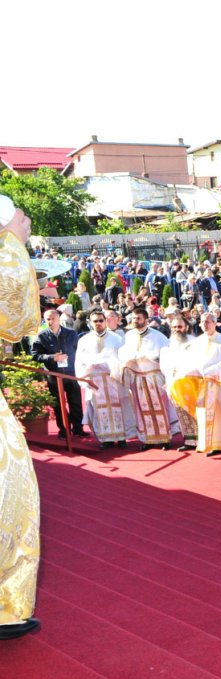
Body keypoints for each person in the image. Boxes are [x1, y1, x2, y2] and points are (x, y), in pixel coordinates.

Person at [0, 196, 43, 639]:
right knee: (9, 492)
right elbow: (17, 318)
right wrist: (12, 240)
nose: (27, 222)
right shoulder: (5, 254)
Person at [117, 306, 176, 450]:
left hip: (154, 377)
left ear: (146, 320)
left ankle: (164, 438)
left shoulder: (158, 336)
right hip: (138, 378)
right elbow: (123, 353)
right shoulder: (129, 336)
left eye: (138, 318)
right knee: (142, 409)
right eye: (133, 318)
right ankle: (147, 439)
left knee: (160, 407)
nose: (135, 321)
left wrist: (151, 358)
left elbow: (167, 354)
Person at [74, 309, 128, 448]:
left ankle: (121, 437)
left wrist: (116, 369)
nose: (98, 323)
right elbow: (79, 361)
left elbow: (123, 358)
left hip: (113, 379)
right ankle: (106, 439)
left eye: (100, 320)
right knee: (99, 409)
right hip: (95, 381)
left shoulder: (116, 338)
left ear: (105, 322)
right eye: (95, 321)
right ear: (90, 323)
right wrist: (83, 379)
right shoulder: (84, 340)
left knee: (119, 407)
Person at [189, 311, 221, 458]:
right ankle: (215, 444)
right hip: (205, 383)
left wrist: (218, 372)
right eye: (203, 321)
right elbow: (193, 361)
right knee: (209, 414)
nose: (205, 324)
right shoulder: (197, 342)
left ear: (215, 323)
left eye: (208, 321)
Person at [30, 306, 86, 437]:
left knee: (76, 402)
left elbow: (80, 352)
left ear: (59, 319)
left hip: (71, 373)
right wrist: (51, 358)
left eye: (53, 318)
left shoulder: (71, 334)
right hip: (54, 375)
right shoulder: (41, 336)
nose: (51, 321)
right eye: (48, 319)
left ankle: (78, 429)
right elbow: (34, 355)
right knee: (59, 405)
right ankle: (64, 430)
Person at [161, 312, 198, 451]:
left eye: (180, 327)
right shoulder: (169, 343)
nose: (177, 329)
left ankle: (201, 440)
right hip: (175, 383)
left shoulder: (194, 342)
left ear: (186, 327)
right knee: (182, 412)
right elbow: (165, 364)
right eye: (175, 327)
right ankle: (189, 441)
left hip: (192, 382)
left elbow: (197, 362)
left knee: (195, 412)